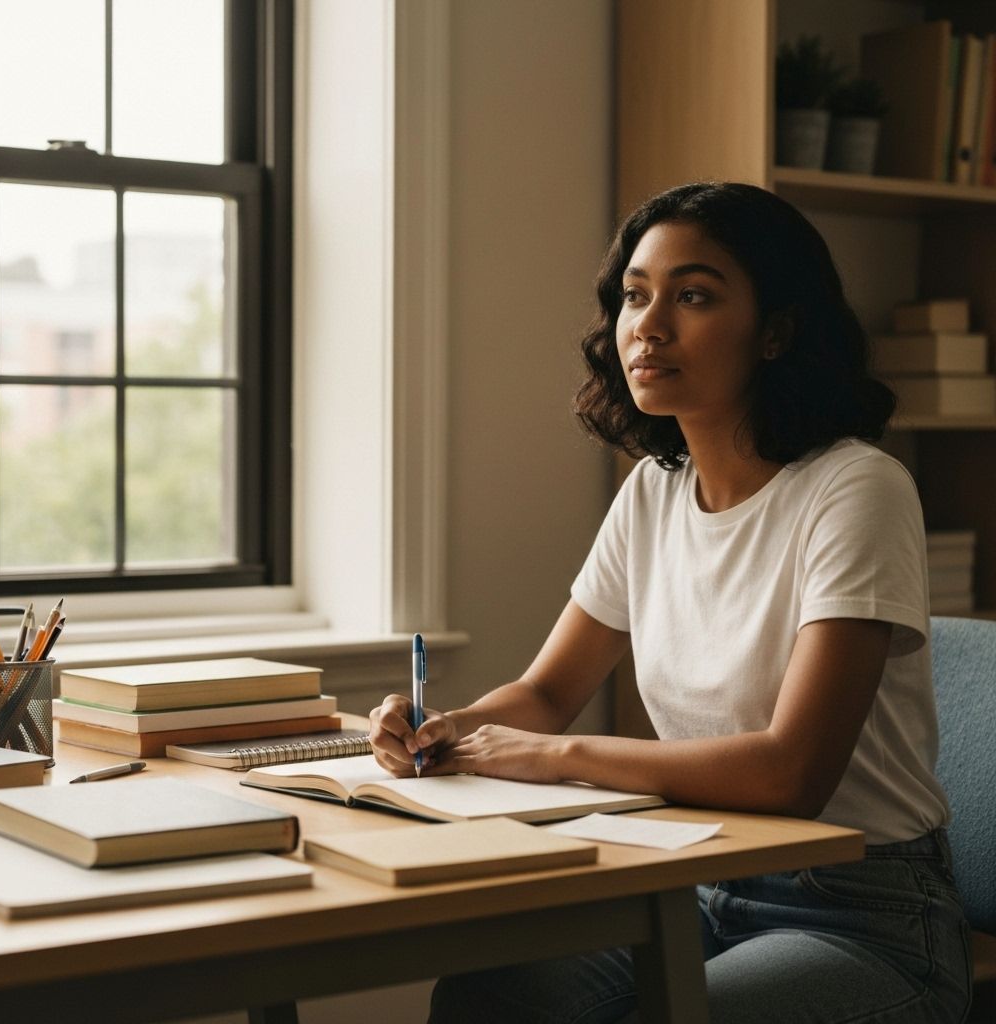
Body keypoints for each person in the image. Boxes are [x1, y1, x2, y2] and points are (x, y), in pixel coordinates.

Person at [369, 182, 972, 1024]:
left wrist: (556, 757)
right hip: (693, 880)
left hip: (860, 911)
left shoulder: (856, 489)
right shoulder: (654, 493)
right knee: (488, 997)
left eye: (692, 296)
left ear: (776, 331)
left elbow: (790, 773)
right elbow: (545, 696)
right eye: (634, 295)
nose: (647, 327)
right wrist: (443, 730)